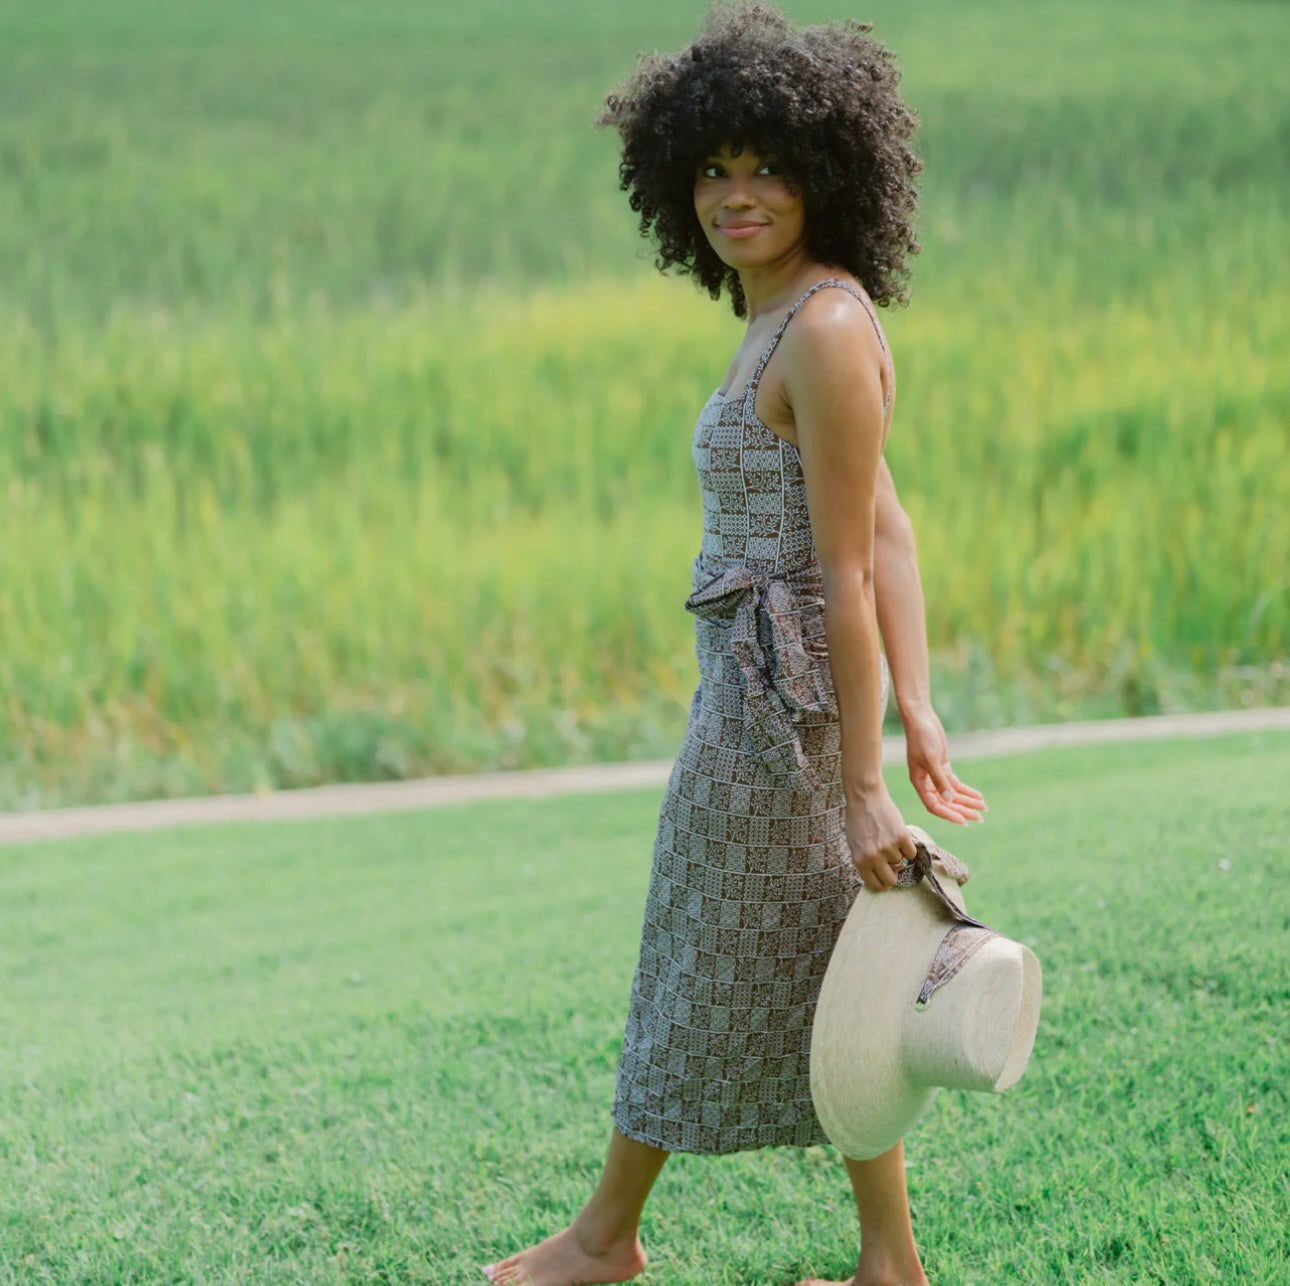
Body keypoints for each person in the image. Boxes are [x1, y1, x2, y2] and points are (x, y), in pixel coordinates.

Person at [482, 3, 987, 1284]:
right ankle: (888, 1264)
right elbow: (894, 529)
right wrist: (918, 711)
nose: (735, 193)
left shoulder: (819, 327)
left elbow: (850, 562)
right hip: (778, 697)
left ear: (829, 169)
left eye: (766, 164)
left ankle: (605, 1238)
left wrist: (871, 768)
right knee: (835, 960)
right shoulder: (799, 314)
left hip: (782, 711)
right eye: (712, 167)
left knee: (694, 933)